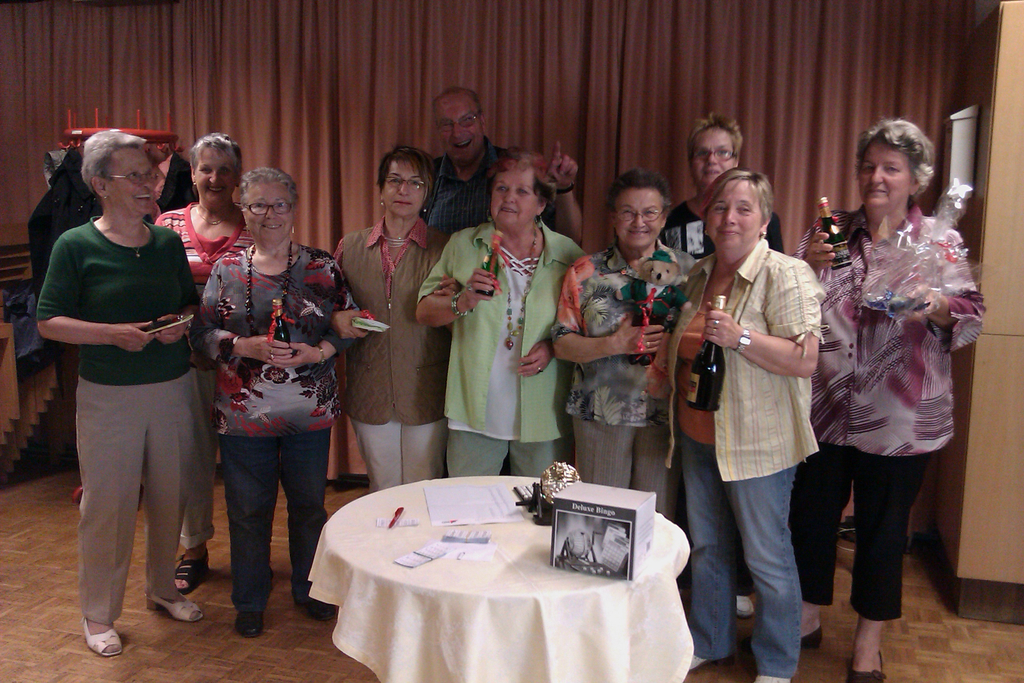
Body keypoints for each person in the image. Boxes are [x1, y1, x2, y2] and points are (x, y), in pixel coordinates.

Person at [791, 119, 984, 682]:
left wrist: (937, 306)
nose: (876, 176)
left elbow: (971, 313)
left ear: (915, 179)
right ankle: (806, 616)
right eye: (868, 165)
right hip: (825, 407)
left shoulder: (939, 240)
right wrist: (809, 264)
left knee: (882, 530)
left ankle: (867, 644)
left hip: (903, 417)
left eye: (891, 168)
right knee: (810, 517)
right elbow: (790, 296)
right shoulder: (829, 230)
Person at [36, 130, 203, 657]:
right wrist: (110, 334)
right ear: (100, 184)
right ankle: (99, 613)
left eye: (150, 174)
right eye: (135, 175)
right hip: (109, 396)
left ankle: (162, 588)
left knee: (170, 495)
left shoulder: (167, 243)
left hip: (172, 387)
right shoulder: (75, 245)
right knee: (107, 506)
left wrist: (180, 323)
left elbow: (189, 302)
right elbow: (48, 321)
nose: (149, 183)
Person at [667, 168, 824, 683]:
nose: (729, 218)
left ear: (764, 220)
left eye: (743, 208)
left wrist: (741, 338)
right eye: (720, 207)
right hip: (697, 436)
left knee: (766, 556)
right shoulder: (697, 273)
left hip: (758, 445)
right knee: (708, 548)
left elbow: (804, 360)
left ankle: (777, 662)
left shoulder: (786, 274)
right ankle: (711, 641)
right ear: (707, 218)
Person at [190, 167, 355, 638]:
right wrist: (242, 345)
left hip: (309, 412)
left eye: (279, 203)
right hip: (243, 417)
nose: (270, 214)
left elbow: (350, 325)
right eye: (258, 204)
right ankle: (249, 599)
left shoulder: (322, 266)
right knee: (247, 511)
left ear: (294, 208)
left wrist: (317, 352)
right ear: (243, 210)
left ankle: (312, 588)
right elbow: (201, 333)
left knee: (309, 507)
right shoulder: (226, 269)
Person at [416, 149, 584, 477]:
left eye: (522, 191)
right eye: (501, 188)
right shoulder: (464, 244)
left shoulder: (565, 253)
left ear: (541, 204)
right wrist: (462, 301)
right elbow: (423, 311)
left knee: (543, 504)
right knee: (468, 504)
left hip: (543, 410)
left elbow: (584, 322)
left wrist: (553, 346)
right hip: (473, 409)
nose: (509, 198)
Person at [552, 168, 692, 517]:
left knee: (656, 521)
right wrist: (615, 344)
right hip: (601, 415)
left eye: (649, 212)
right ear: (613, 217)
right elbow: (562, 343)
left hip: (664, 416)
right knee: (600, 519)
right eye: (628, 212)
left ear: (664, 217)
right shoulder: (585, 271)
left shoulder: (689, 271)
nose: (639, 222)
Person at [155, 132, 253, 595]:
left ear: (238, 176)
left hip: (243, 361)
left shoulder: (256, 222)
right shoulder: (167, 225)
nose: (215, 178)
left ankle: (250, 551)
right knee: (189, 457)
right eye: (206, 168)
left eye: (225, 169)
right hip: (185, 361)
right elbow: (158, 292)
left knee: (245, 462)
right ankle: (193, 549)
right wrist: (192, 338)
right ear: (192, 173)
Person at [332, 146, 451, 491]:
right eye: (395, 180)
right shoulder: (351, 246)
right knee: (381, 488)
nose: (404, 190)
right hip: (370, 387)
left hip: (426, 387)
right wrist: (337, 319)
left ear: (427, 193)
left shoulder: (446, 248)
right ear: (381, 189)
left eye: (415, 183)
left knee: (424, 487)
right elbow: (329, 305)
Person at [424, 86, 583, 243]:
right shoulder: (425, 176)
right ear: (437, 130)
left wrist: (564, 188)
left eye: (467, 120)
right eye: (446, 124)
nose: (457, 132)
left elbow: (569, 239)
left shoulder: (517, 168)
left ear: (482, 121)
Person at [662, 113, 784, 258]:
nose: (711, 160)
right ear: (691, 162)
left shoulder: (763, 221)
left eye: (722, 152)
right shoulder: (670, 221)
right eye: (702, 152)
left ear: (736, 161)